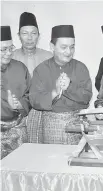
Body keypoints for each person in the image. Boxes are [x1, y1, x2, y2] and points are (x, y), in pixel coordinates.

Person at [29, 25, 92, 144]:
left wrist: (70, 87)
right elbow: (34, 100)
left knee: (75, 159)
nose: (69, 52)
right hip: (50, 125)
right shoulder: (41, 70)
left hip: (77, 123)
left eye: (72, 47)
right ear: (52, 47)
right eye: (63, 47)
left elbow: (86, 97)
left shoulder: (81, 68)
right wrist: (55, 92)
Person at [13, 12, 52, 143]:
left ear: (38, 35)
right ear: (19, 36)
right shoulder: (11, 57)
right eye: (25, 33)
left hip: (43, 113)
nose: (29, 38)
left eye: (33, 33)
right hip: (17, 112)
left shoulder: (49, 57)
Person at [1, 26, 31, 158]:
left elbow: (30, 95)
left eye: (10, 48)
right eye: (3, 49)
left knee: (19, 171)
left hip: (17, 130)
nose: (8, 53)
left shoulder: (20, 68)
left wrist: (19, 104)